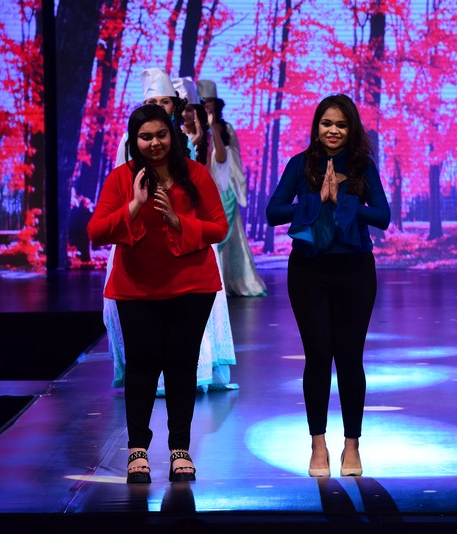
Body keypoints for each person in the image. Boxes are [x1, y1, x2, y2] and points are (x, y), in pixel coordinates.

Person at [88, 104, 229, 483]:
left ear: (172, 134)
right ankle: (138, 450)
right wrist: (134, 205)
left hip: (192, 285)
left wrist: (177, 221)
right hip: (136, 287)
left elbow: (219, 228)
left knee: (182, 366)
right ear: (134, 141)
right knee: (142, 366)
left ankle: (180, 448)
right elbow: (96, 231)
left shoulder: (195, 174)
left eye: (161, 134)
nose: (154, 143)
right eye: (145, 137)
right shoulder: (122, 178)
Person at [266, 94, 391, 477]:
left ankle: (352, 445)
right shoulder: (300, 164)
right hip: (309, 270)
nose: (333, 131)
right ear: (316, 126)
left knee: (350, 357)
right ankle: (317, 443)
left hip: (355, 269)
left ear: (351, 129)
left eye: (341, 124)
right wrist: (317, 199)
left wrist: (343, 201)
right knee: (318, 356)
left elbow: (383, 216)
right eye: (326, 123)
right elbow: (273, 212)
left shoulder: (362, 166)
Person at [104, 69, 237, 396]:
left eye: (164, 101)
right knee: (143, 325)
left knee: (189, 323)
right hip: (142, 234)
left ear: (175, 105)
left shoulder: (184, 139)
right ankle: (149, 377)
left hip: (187, 234)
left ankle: (195, 372)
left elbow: (211, 186)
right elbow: (120, 184)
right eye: (152, 101)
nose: (159, 106)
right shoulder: (130, 140)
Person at [197, 79, 267, 298]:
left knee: (228, 234)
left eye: (210, 101)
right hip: (199, 188)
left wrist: (213, 130)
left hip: (223, 186)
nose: (207, 105)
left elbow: (227, 158)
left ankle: (229, 280)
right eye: (203, 101)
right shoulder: (191, 129)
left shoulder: (225, 129)